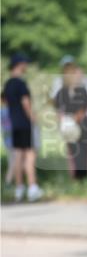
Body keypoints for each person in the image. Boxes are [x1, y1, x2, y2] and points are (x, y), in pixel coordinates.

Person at [1, 53, 43, 202]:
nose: (26, 66)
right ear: (19, 64)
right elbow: (26, 103)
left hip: (14, 124)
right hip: (25, 123)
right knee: (30, 156)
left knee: (17, 156)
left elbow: (4, 101)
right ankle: (32, 188)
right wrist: (33, 118)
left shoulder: (7, 84)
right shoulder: (21, 83)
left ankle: (19, 189)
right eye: (25, 63)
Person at [53, 56, 87, 180]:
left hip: (82, 123)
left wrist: (77, 117)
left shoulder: (82, 89)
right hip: (70, 125)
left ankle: (84, 180)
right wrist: (65, 122)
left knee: (84, 153)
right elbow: (58, 107)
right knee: (75, 154)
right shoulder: (62, 91)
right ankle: (78, 180)